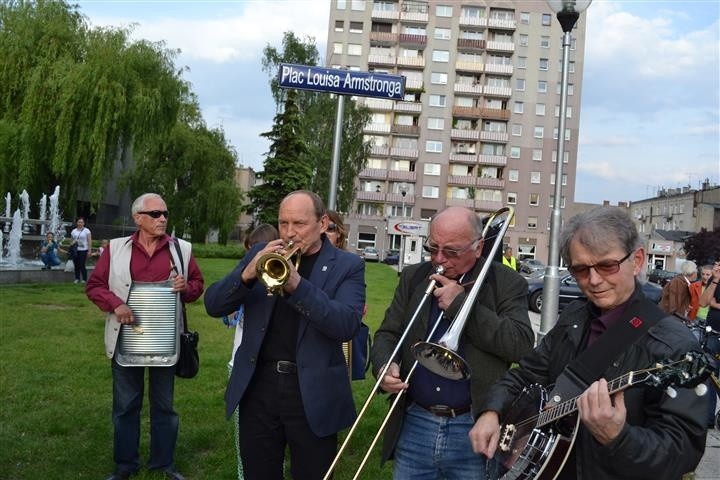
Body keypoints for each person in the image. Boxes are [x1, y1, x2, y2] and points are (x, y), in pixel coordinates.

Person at [469, 206, 708, 479]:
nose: (594, 281)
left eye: (607, 265)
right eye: (581, 269)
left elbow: (682, 453)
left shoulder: (674, 347)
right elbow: (525, 374)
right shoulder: (574, 317)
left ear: (638, 260)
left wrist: (618, 437)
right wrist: (492, 411)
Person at [204, 190, 366, 480]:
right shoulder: (261, 253)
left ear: (323, 223)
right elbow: (214, 304)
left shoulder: (348, 265)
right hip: (259, 386)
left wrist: (296, 285)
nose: (290, 233)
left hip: (312, 391)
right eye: (283, 223)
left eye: (299, 224)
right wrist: (246, 275)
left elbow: (346, 324)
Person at [370, 206, 534, 479]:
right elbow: (387, 333)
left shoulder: (507, 283)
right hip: (415, 421)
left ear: (479, 247)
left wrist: (461, 306)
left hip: (472, 425)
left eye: (451, 252)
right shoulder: (414, 277)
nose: (438, 258)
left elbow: (521, 344)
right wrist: (384, 365)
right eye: (432, 247)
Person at [86, 193, 204, 480]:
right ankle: (125, 465)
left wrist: (185, 287)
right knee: (126, 406)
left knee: (165, 407)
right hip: (126, 339)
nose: (162, 218)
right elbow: (94, 285)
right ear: (138, 218)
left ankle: (163, 465)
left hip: (165, 342)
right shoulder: (115, 249)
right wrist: (116, 304)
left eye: (165, 213)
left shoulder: (181, 249)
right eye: (155, 214)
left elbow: (198, 286)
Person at [70, 216, 92, 283]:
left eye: (81, 222)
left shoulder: (87, 230)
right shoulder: (74, 231)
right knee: (76, 264)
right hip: (76, 250)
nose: (80, 223)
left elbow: (89, 241)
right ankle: (77, 278)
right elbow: (71, 242)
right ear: (77, 223)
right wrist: (73, 242)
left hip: (83, 250)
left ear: (84, 223)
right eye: (79, 222)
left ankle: (84, 279)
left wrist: (89, 250)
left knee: (82, 264)